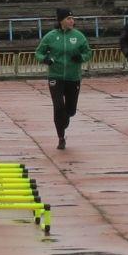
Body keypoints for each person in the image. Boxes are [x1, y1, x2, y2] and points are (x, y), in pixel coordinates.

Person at [35, 9, 92, 150]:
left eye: (72, 18)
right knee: (58, 106)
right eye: (68, 18)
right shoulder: (50, 36)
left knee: (70, 110)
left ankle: (65, 119)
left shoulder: (79, 36)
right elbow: (38, 53)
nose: (72, 21)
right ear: (61, 21)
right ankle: (61, 137)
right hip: (56, 77)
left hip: (73, 77)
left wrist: (82, 58)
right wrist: (45, 59)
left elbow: (88, 52)